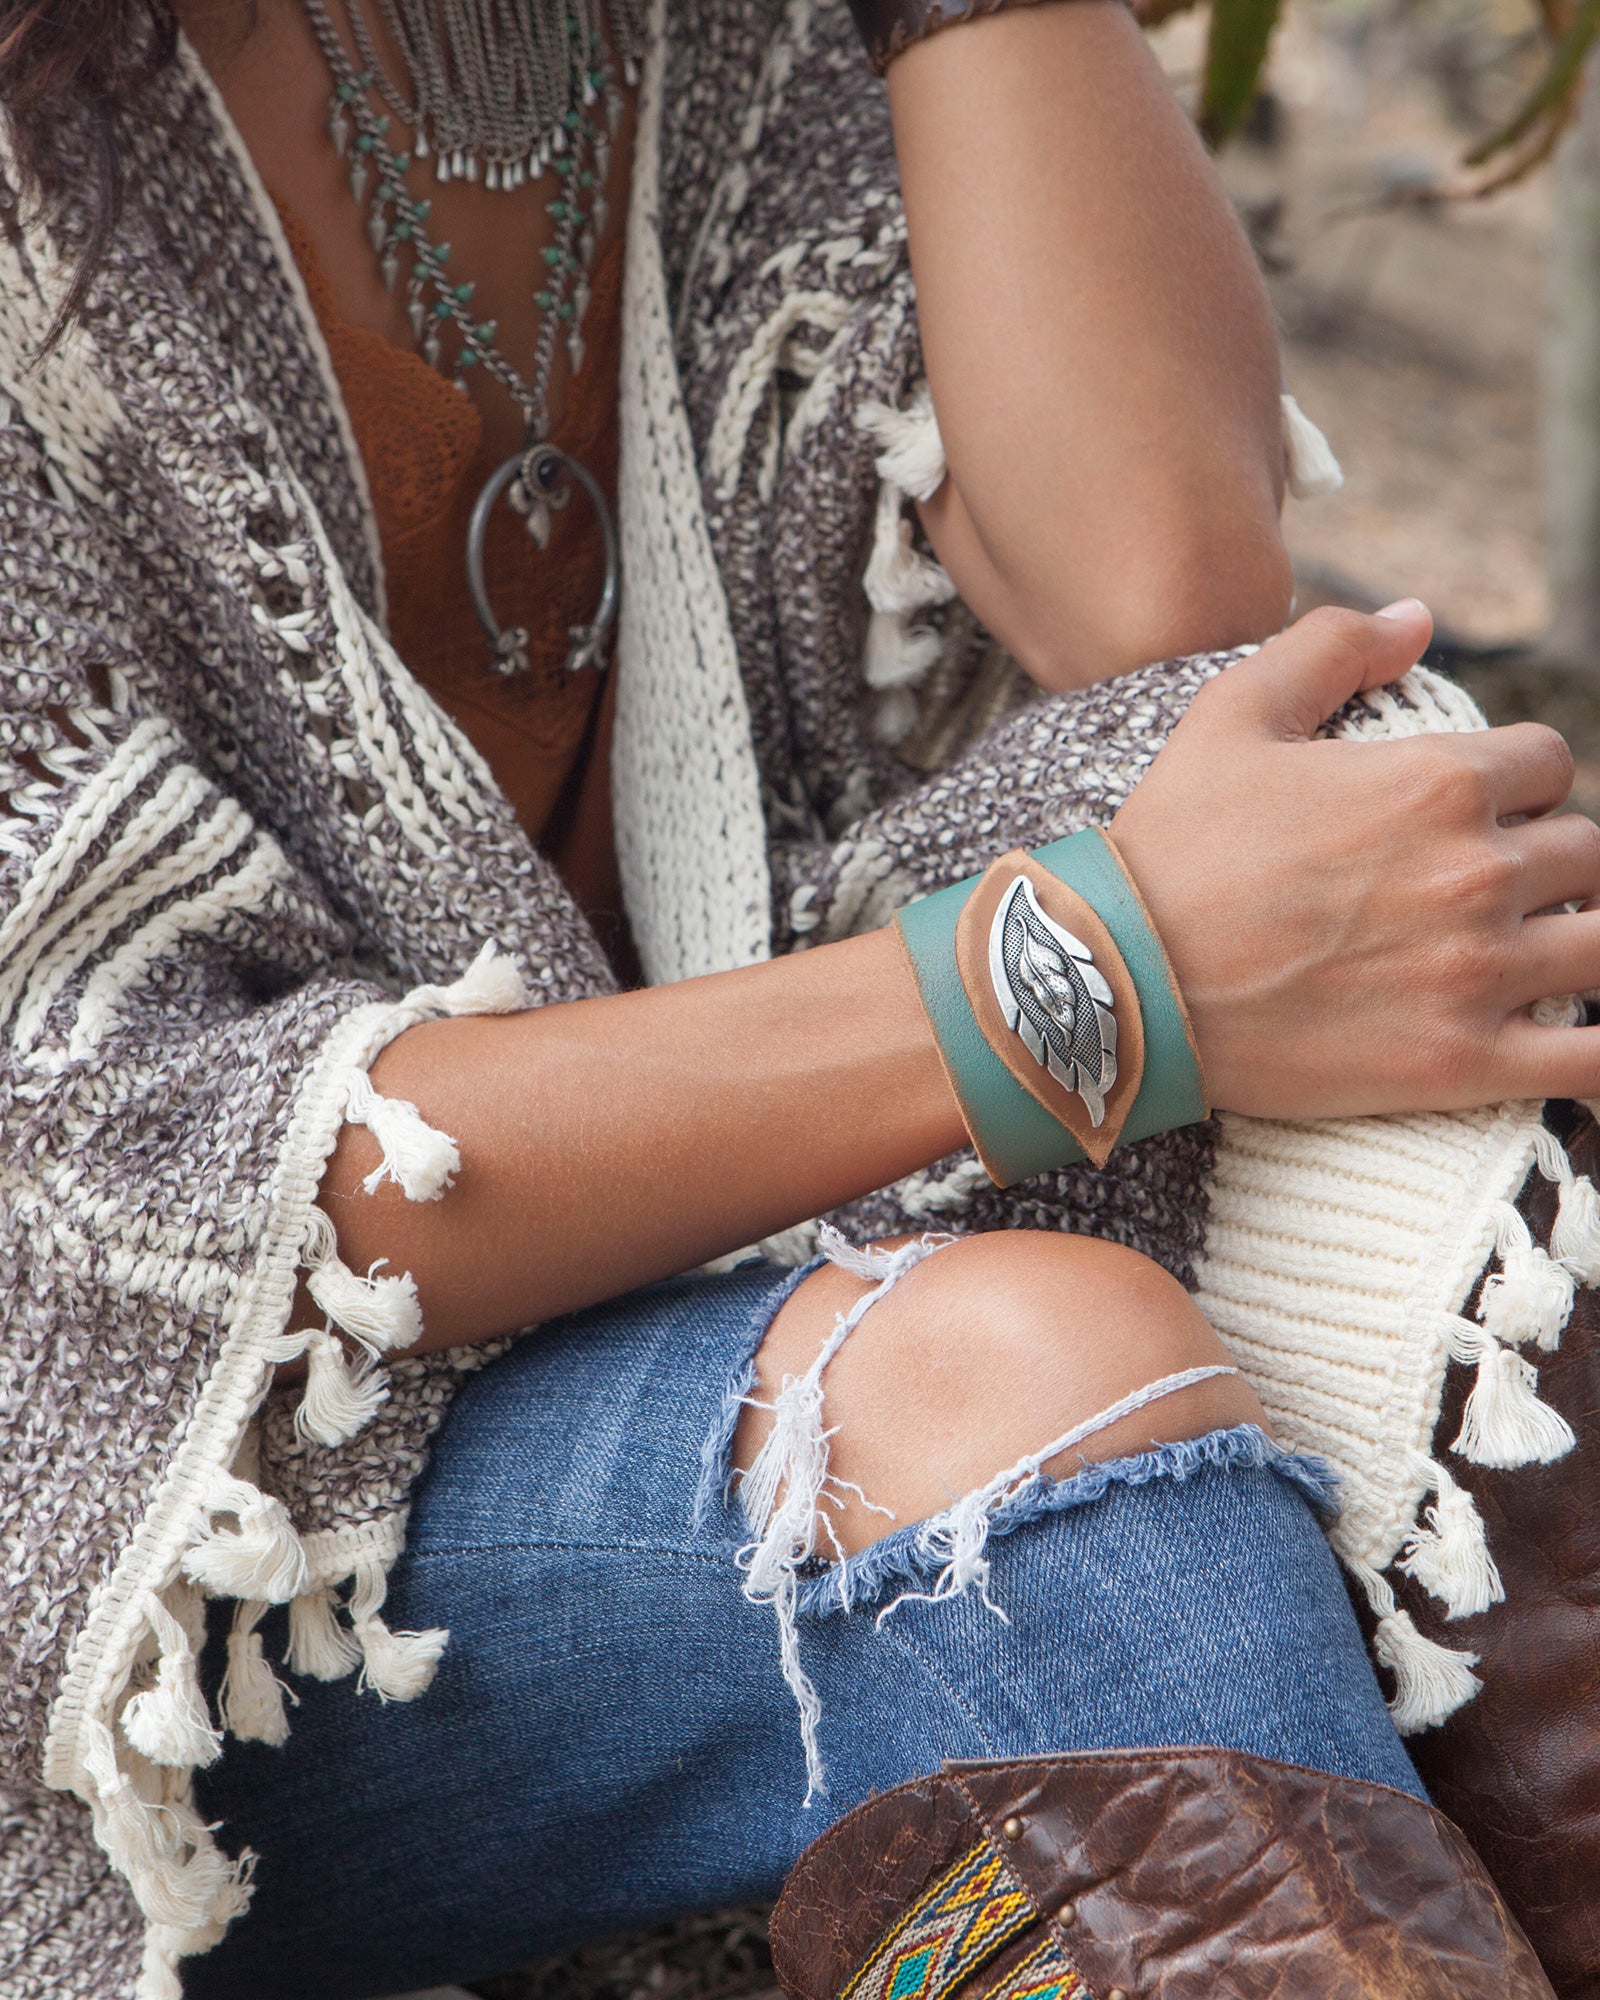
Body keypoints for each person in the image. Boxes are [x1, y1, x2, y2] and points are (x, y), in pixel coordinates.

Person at [0, 0, 1589, 1994]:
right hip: (126, 1566)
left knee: (1350, 831)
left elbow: (1150, 590)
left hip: (662, 1336)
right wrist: (1103, 971)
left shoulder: (700, 43)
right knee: (998, 1392)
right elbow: (113, 1176)